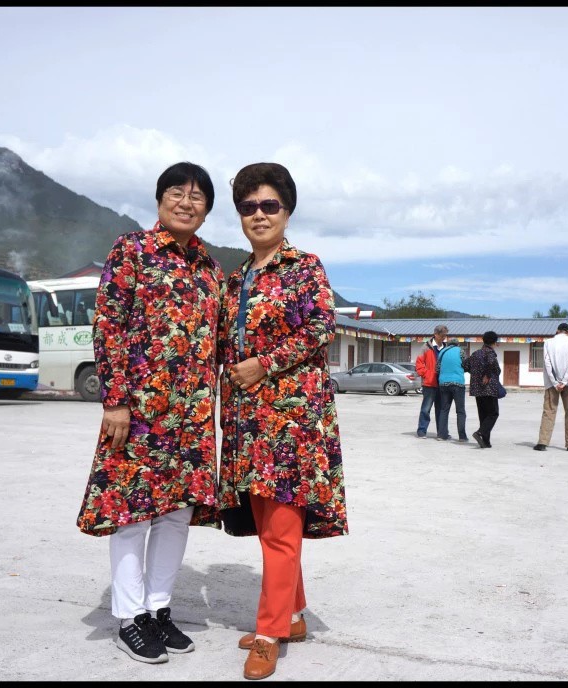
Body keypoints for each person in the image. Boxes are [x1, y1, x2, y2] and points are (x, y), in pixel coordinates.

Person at [74, 162, 225, 664]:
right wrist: (115, 400)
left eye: (198, 195)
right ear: (159, 200)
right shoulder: (131, 250)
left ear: (206, 209)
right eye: (177, 192)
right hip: (139, 411)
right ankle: (129, 616)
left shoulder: (210, 268)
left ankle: (159, 608)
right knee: (132, 514)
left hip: (192, 414)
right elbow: (109, 324)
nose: (187, 201)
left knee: (176, 515)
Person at [217, 162, 348, 681]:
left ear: (287, 211)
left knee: (280, 529)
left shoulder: (305, 267)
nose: (258, 214)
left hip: (293, 422)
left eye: (269, 205)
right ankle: (292, 615)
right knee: (269, 524)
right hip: (248, 422)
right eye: (248, 207)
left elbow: (321, 325)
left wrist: (266, 363)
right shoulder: (235, 279)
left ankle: (268, 633)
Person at [534, 322, 568, 452]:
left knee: (548, 412)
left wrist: (555, 382)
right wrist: (564, 381)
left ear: (557, 331)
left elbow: (547, 362)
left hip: (551, 383)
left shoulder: (548, 342)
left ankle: (542, 443)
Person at [463, 330, 502, 448]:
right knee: (493, 413)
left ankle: (485, 441)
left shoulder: (475, 353)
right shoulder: (490, 353)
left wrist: (475, 373)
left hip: (477, 389)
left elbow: (465, 365)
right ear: (494, 342)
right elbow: (492, 365)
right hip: (489, 388)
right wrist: (487, 375)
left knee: (483, 415)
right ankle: (480, 433)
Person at [413, 324, 448, 438]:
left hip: (442, 384)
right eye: (442, 335)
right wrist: (427, 374)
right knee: (426, 408)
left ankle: (441, 433)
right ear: (435, 334)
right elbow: (419, 364)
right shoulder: (426, 347)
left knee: (441, 410)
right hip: (429, 384)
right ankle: (422, 431)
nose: (444, 338)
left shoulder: (446, 347)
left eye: (445, 335)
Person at [435, 339, 468, 442]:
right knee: (460, 411)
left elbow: (437, 369)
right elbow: (465, 365)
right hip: (457, 383)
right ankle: (462, 437)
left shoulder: (442, 352)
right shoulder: (460, 351)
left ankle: (441, 435)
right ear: (457, 344)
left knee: (444, 410)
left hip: (443, 384)